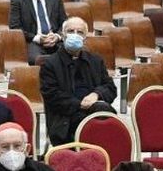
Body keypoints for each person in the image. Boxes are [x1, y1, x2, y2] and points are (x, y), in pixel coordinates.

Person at [39, 16, 117, 146]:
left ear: (85, 38)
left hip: (95, 111)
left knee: (103, 114)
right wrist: (81, 104)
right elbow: (52, 96)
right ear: (63, 36)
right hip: (65, 120)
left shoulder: (96, 61)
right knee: (103, 113)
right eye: (70, 31)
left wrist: (96, 95)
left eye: (80, 32)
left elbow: (110, 88)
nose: (75, 35)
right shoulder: (50, 64)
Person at [10, 0, 65, 64]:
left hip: (54, 41)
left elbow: (64, 23)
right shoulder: (18, 1)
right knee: (36, 59)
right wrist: (37, 38)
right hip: (33, 41)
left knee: (73, 55)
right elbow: (15, 28)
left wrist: (57, 36)